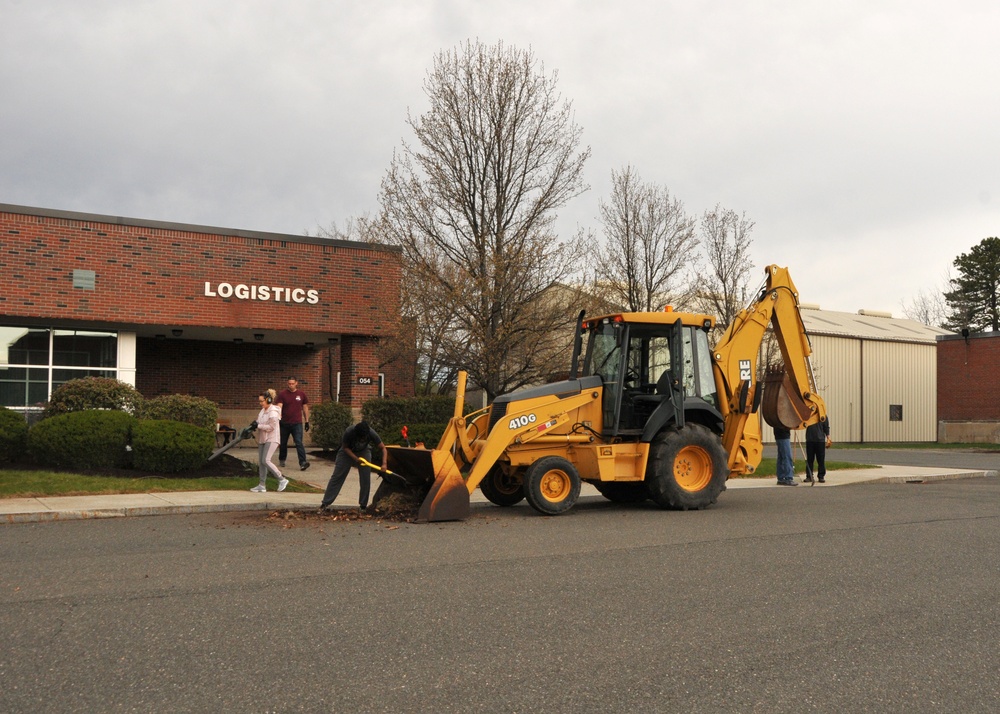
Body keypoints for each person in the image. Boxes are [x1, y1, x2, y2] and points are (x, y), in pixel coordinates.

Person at [318, 420, 387, 512]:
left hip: (364, 452)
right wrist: (355, 458)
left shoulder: (371, 433)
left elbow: (383, 448)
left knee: (365, 478)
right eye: (360, 438)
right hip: (346, 452)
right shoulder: (349, 432)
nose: (362, 440)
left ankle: (363, 506)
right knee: (338, 476)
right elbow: (345, 447)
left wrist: (384, 464)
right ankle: (325, 503)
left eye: (364, 438)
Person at [250, 389, 288, 493]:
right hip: (263, 439)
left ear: (269, 400)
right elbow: (259, 421)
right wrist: (254, 424)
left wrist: (258, 426)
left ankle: (282, 479)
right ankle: (262, 485)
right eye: (260, 401)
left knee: (266, 460)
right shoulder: (262, 411)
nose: (260, 403)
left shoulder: (273, 412)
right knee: (261, 463)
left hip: (272, 439)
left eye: (262, 401)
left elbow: (271, 427)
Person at [275, 376, 311, 471]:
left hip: (297, 423)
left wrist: (307, 421)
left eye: (292, 383)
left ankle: (303, 462)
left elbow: (305, 407)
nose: (290, 385)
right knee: (283, 443)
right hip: (284, 423)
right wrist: (278, 419)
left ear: (296, 383)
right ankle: (282, 459)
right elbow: (279, 406)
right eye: (289, 383)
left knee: (299, 442)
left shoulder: (301, 394)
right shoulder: (282, 394)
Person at [804, 417, 832, 484]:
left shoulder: (823, 415)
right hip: (810, 440)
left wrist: (828, 437)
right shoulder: (809, 414)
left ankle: (821, 476)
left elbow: (826, 427)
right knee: (810, 459)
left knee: (821, 459)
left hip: (820, 440)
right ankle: (809, 476)